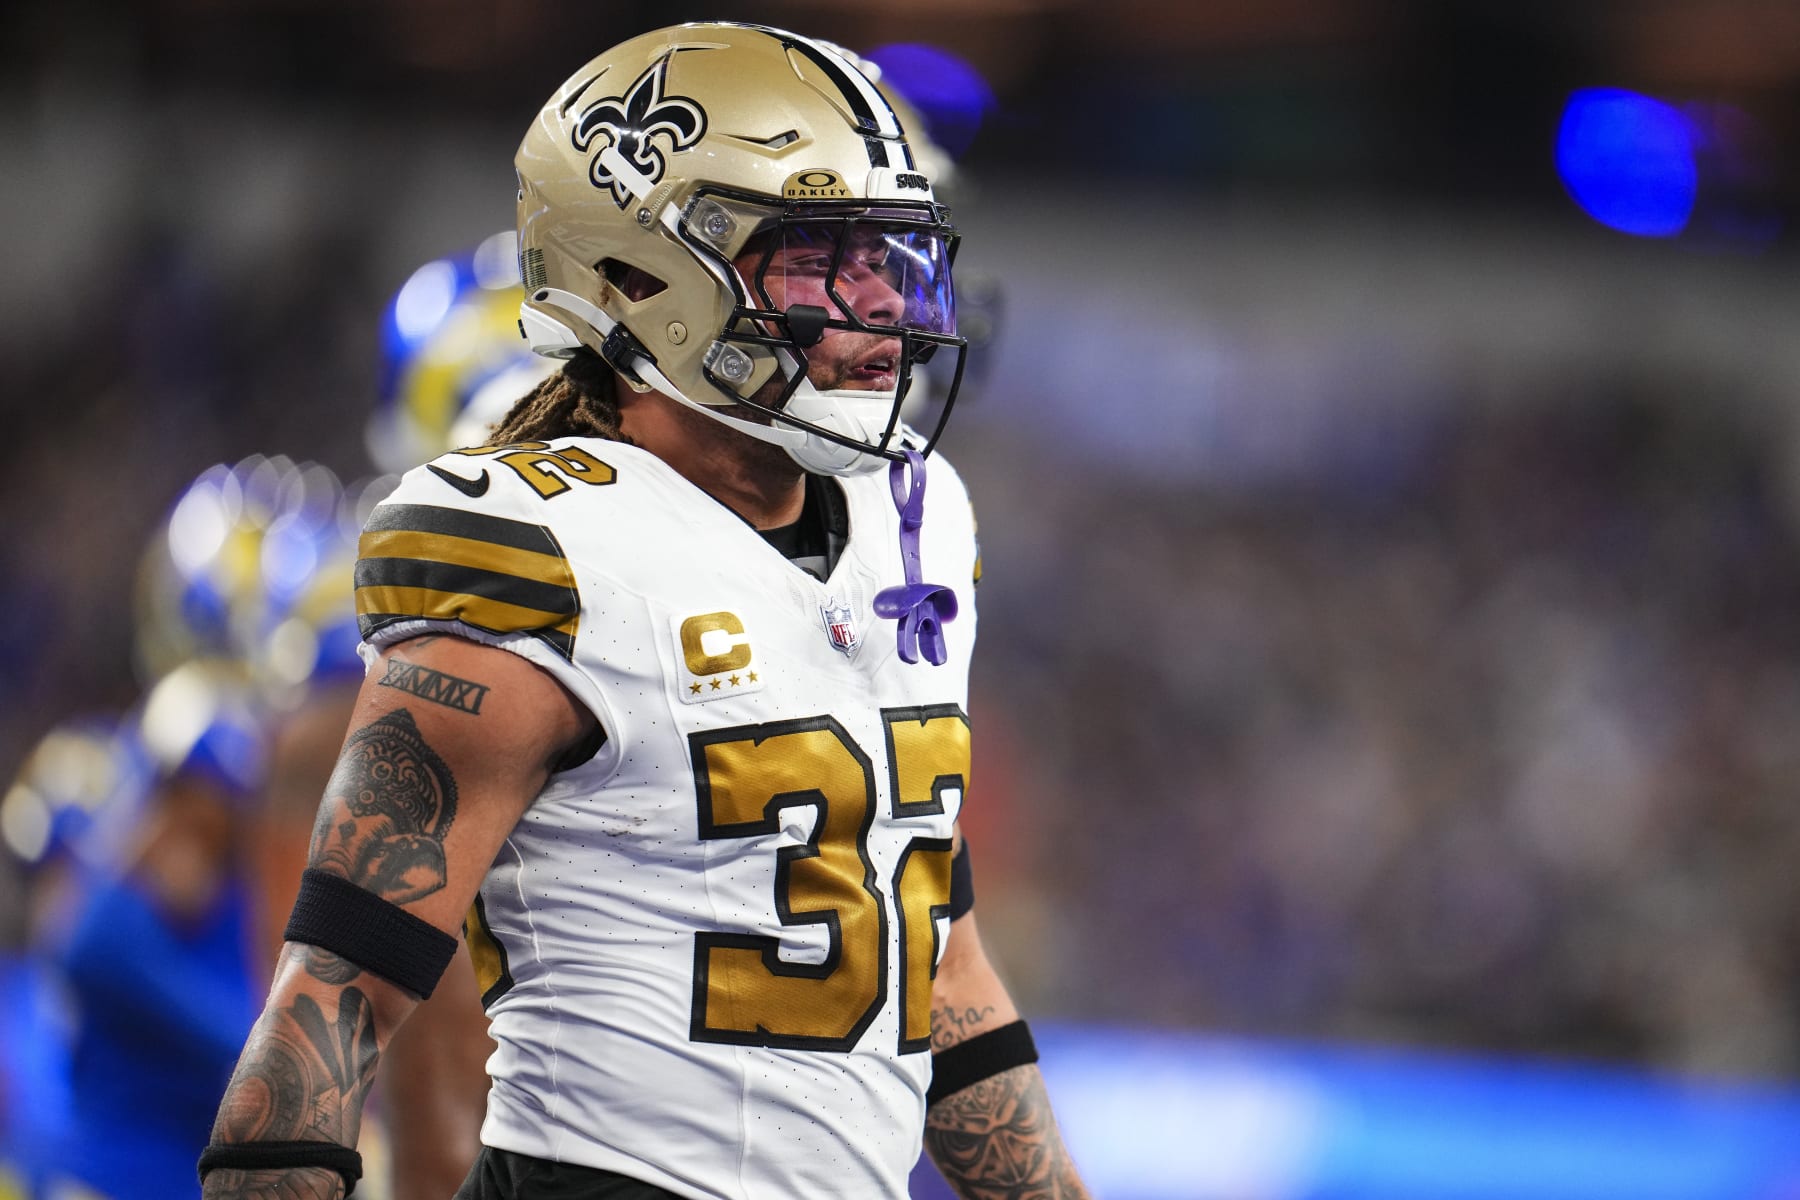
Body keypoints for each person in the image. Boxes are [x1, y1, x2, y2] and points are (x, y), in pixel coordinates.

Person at [200, 22, 1089, 1199]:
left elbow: (937, 961)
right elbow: (335, 998)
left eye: (891, 253)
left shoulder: (918, 517)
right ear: (638, 278)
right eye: (823, 260)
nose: (886, 304)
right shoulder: (541, 545)